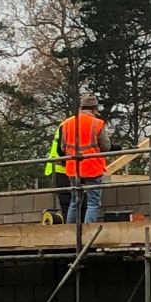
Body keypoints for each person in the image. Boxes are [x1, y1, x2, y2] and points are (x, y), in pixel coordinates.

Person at [59, 92, 110, 223]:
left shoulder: (67, 123)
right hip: (92, 168)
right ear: (94, 109)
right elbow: (106, 146)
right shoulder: (97, 123)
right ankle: (88, 231)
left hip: (73, 168)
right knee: (93, 203)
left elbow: (63, 148)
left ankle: (70, 232)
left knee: (74, 202)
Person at [44, 124, 72, 219]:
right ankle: (69, 225)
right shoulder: (67, 126)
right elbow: (61, 150)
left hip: (60, 169)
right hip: (60, 170)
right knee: (67, 202)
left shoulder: (66, 125)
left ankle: (69, 224)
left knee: (69, 203)